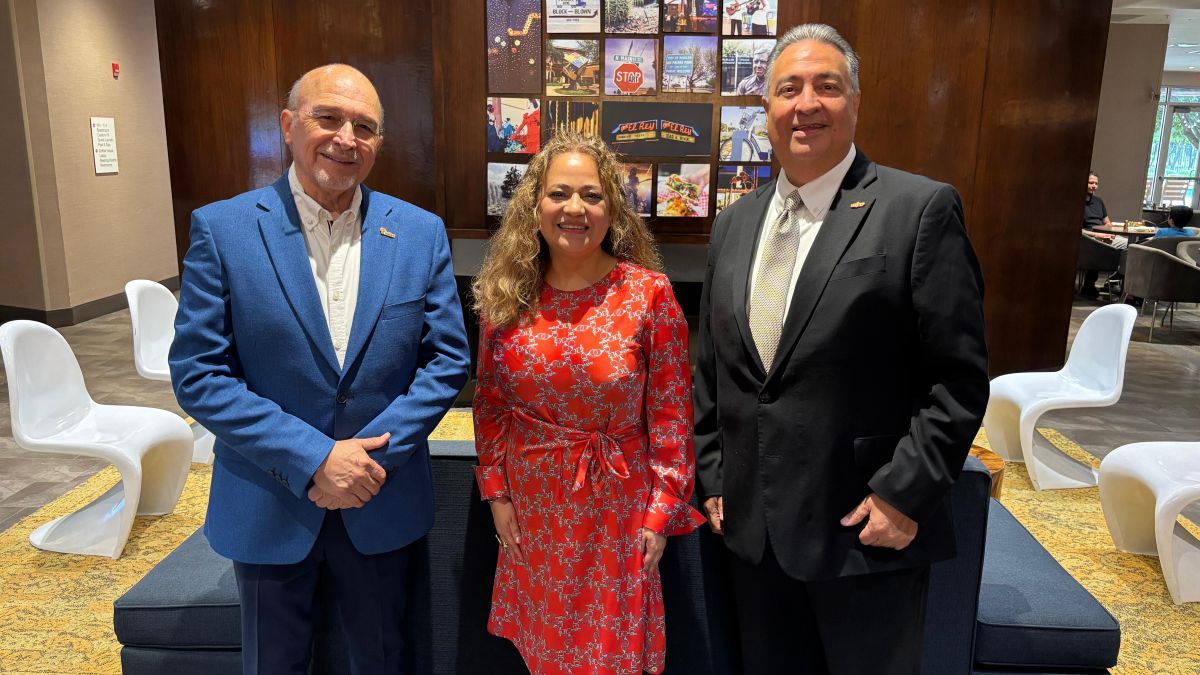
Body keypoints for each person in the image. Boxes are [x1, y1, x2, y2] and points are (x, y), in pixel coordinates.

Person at [694, 24, 989, 675]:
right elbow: (711, 372)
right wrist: (713, 478)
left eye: (827, 86)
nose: (806, 104)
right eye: (788, 88)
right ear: (765, 109)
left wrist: (902, 496)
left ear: (855, 101)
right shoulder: (734, 224)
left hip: (863, 535)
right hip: (751, 538)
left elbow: (958, 379)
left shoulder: (919, 210)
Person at [169, 64, 471, 674]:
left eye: (364, 126)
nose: (345, 138)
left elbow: (447, 361)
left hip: (379, 498)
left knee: (384, 660)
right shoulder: (223, 230)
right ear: (287, 125)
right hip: (268, 497)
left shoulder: (419, 233)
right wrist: (314, 458)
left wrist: (365, 463)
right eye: (327, 117)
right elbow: (199, 372)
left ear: (379, 142)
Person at [471, 130, 706, 675]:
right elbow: (489, 403)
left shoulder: (649, 295)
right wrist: (497, 495)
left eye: (591, 195)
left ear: (612, 210)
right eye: (558, 193)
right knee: (545, 649)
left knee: (609, 651)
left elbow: (671, 412)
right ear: (535, 206)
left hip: (618, 508)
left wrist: (661, 510)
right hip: (532, 507)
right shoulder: (506, 296)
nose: (574, 208)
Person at [1081, 171, 1126, 297]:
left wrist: (1109, 231)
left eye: (1096, 183)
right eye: (1091, 183)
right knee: (1097, 249)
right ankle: (1089, 285)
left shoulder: (1098, 201)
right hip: (1089, 238)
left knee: (1130, 246)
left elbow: (1107, 221)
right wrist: (1097, 236)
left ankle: (1114, 279)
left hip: (1105, 236)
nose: (1094, 186)